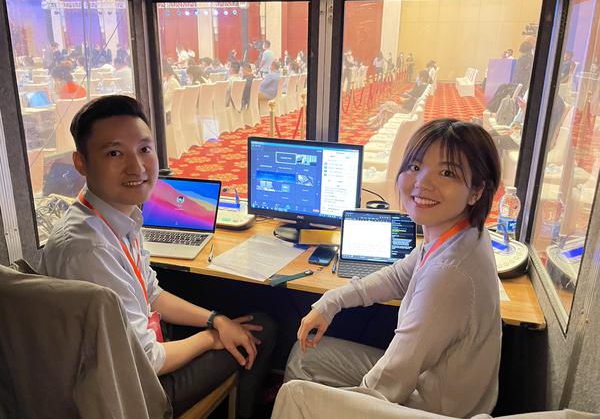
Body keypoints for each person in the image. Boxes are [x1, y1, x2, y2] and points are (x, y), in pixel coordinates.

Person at [38, 95, 276, 417]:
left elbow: (151, 293)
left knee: (234, 322)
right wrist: (210, 337)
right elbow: (147, 359)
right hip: (131, 394)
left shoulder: (115, 216)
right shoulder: (89, 249)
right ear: (81, 163)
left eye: (144, 149)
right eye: (114, 153)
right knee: (260, 330)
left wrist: (215, 320)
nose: (136, 167)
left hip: (130, 362)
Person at [284, 118, 502, 418]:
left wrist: (338, 405)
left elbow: (389, 382)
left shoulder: (450, 273)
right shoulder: (459, 233)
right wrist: (330, 302)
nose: (422, 182)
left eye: (447, 172)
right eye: (415, 166)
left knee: (294, 393)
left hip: (430, 408)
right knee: (303, 357)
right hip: (431, 386)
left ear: (476, 191)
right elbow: (398, 276)